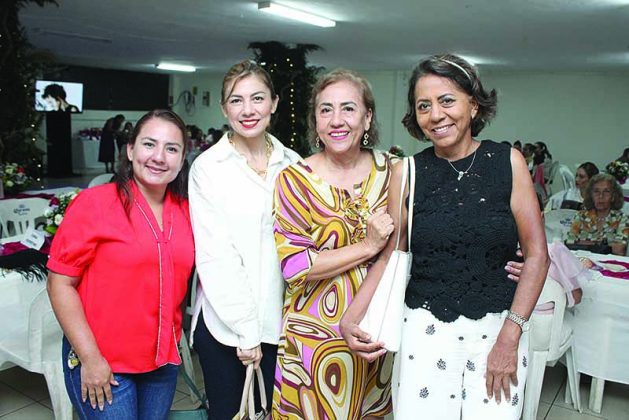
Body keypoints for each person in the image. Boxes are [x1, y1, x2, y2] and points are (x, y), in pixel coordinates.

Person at [340, 54, 549, 419]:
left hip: (499, 330)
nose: (436, 115)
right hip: (425, 331)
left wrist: (509, 337)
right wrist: (351, 317)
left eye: (447, 100)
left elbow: (537, 256)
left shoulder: (508, 162)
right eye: (424, 106)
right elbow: (392, 256)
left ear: (473, 103)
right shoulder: (406, 172)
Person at [47, 109, 194, 419]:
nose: (158, 157)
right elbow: (60, 283)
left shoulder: (187, 211)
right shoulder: (95, 203)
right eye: (149, 144)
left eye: (171, 149)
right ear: (130, 150)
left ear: (182, 159)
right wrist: (90, 359)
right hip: (104, 362)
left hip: (161, 362)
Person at [272, 69, 396, 418]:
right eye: (325, 110)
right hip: (313, 342)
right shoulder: (295, 180)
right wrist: (368, 247)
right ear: (315, 121)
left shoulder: (394, 172)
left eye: (348, 108)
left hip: (376, 336)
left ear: (367, 117)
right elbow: (295, 266)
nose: (336, 120)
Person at [188, 60, 300, 419]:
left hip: (282, 326)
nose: (248, 110)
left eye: (258, 98)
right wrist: (247, 331)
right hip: (227, 327)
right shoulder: (209, 168)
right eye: (236, 100)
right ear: (224, 109)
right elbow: (216, 257)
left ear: (274, 103)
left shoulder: (294, 164)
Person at [566, 173, 628, 255]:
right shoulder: (581, 216)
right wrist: (603, 245)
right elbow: (570, 243)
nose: (601, 196)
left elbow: (620, 249)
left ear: (613, 196)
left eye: (606, 192)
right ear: (591, 195)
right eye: (596, 191)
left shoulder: (622, 218)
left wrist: (585, 244)